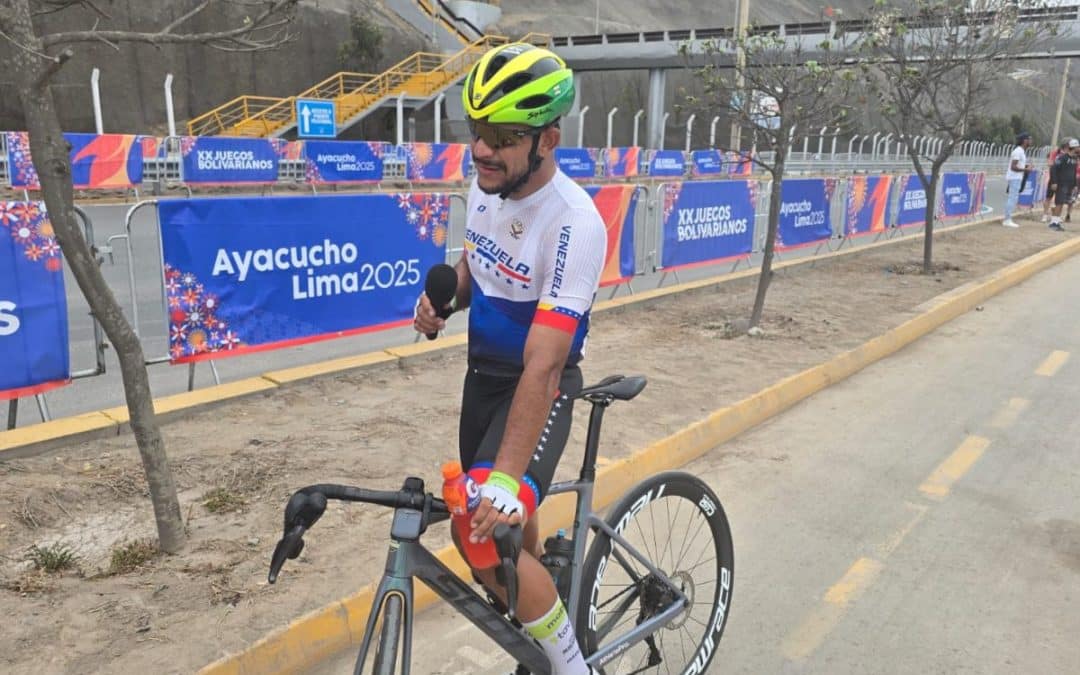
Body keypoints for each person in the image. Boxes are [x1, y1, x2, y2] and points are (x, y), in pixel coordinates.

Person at [413, 43, 605, 675]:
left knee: (475, 533)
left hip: (538, 386)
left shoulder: (574, 221)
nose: (481, 150)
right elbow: (478, 266)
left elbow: (545, 367)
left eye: (502, 136)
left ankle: (571, 666)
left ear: (548, 139)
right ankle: (538, 598)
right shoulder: (488, 185)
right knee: (498, 538)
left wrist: (506, 478)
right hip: (482, 384)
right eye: (476, 131)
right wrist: (446, 302)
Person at [1047, 137, 1079, 231]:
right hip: (1061, 184)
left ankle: (1056, 222)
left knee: (1061, 203)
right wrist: (1054, 182)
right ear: (1073, 147)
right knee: (1059, 203)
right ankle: (1053, 223)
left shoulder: (1074, 158)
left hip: (1069, 185)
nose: (1079, 148)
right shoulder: (1062, 157)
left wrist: (1074, 185)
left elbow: (1073, 172)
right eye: (1077, 146)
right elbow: (1053, 169)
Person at [1003, 132, 1034, 228]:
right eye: (1029, 139)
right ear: (1024, 140)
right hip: (1014, 177)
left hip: (1017, 177)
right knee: (1012, 198)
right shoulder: (1018, 151)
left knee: (1014, 198)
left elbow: (1017, 165)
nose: (1031, 141)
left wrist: (1026, 166)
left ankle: (1008, 218)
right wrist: (1026, 169)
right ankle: (1007, 219)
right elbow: (1013, 166)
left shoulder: (1021, 151)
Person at [1041, 139, 1068, 223]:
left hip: (1063, 180)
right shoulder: (1055, 153)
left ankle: (1056, 216)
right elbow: (1050, 163)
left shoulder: (1069, 155)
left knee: (1060, 199)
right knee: (1048, 197)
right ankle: (1045, 215)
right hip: (1053, 178)